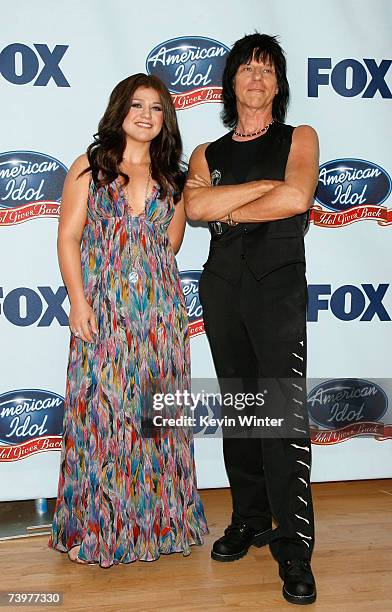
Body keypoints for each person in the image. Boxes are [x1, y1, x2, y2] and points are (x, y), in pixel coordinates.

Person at [48, 73, 208, 568]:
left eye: (156, 108)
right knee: (103, 419)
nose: (145, 114)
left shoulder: (173, 180)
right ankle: (98, 527)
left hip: (160, 318)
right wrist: (79, 302)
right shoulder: (89, 168)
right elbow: (68, 238)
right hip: (103, 315)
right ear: (119, 110)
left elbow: (172, 245)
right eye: (136, 105)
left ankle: (158, 526)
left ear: (166, 120)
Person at [184, 33, 318, 605]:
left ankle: (294, 550)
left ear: (278, 83)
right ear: (232, 82)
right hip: (222, 291)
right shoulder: (206, 154)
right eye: (247, 67)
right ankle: (250, 518)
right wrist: (261, 190)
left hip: (277, 290)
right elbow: (193, 207)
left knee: (282, 419)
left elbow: (296, 197)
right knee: (240, 411)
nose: (257, 76)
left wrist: (228, 204)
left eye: (267, 68)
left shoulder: (300, 137)